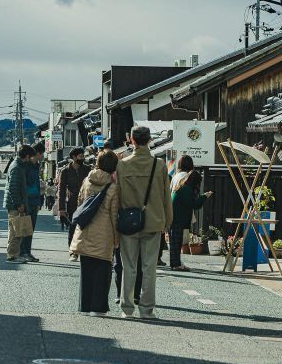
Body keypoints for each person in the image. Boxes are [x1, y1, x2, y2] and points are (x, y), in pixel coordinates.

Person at [115, 126, 171, 319]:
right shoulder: (160, 165)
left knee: (128, 266)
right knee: (149, 267)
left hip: (128, 223)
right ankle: (146, 309)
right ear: (149, 140)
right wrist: (167, 222)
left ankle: (127, 308)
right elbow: (166, 197)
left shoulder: (122, 165)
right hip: (153, 221)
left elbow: (118, 195)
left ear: (131, 140)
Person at [70, 149, 120, 316]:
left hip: (85, 230)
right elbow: (114, 215)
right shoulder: (113, 187)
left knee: (87, 271)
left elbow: (80, 202)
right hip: (104, 234)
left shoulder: (87, 180)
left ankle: (84, 306)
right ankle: (98, 308)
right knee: (102, 271)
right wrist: (116, 237)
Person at [169, 154, 211, 271]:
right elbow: (194, 204)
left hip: (172, 212)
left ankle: (176, 263)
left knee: (175, 242)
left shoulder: (176, 177)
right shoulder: (187, 184)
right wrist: (204, 196)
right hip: (179, 215)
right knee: (177, 241)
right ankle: (176, 264)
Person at [58, 148, 90, 261]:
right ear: (74, 157)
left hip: (86, 201)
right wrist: (61, 208)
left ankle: (85, 250)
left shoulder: (87, 169)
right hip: (71, 202)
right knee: (72, 227)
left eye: (82, 156)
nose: (82, 158)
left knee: (85, 227)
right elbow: (61, 190)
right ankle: (73, 252)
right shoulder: (65, 171)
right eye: (80, 156)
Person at [5, 145, 36, 262]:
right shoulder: (17, 167)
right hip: (15, 205)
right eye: (30, 157)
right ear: (27, 156)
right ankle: (13, 255)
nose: (30, 160)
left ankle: (14, 254)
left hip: (15, 203)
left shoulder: (17, 165)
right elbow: (13, 188)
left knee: (16, 230)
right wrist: (19, 204)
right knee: (15, 231)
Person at [19, 142, 45, 262]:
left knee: (31, 228)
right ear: (38, 153)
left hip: (34, 200)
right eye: (42, 154)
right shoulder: (26, 166)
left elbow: (37, 185)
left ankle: (27, 252)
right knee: (25, 228)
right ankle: (22, 251)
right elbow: (24, 184)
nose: (42, 156)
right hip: (27, 200)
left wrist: (39, 201)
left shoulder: (36, 166)